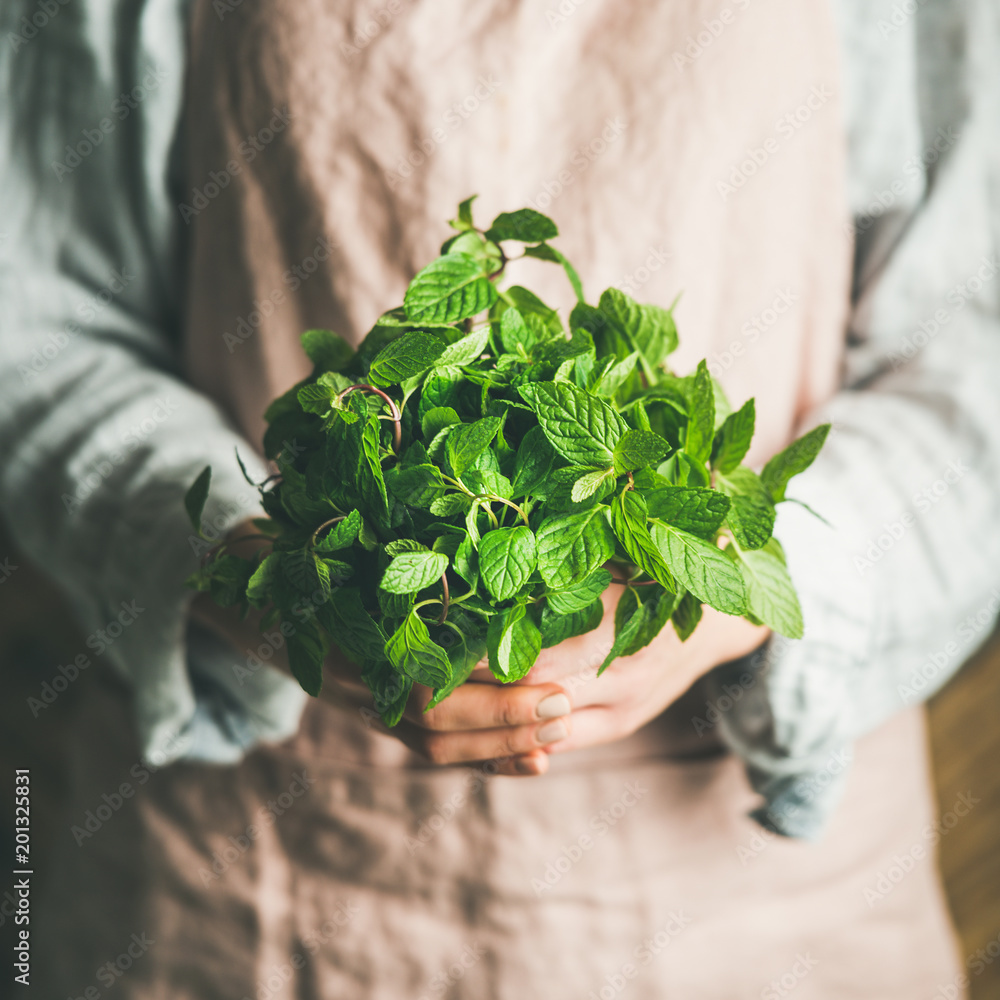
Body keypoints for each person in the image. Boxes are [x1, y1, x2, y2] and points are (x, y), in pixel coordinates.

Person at [1, 0, 998, 996]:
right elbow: (39, 326)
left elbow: (969, 351)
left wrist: (739, 584)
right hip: (243, 882)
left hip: (752, 910)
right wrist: (270, 572)